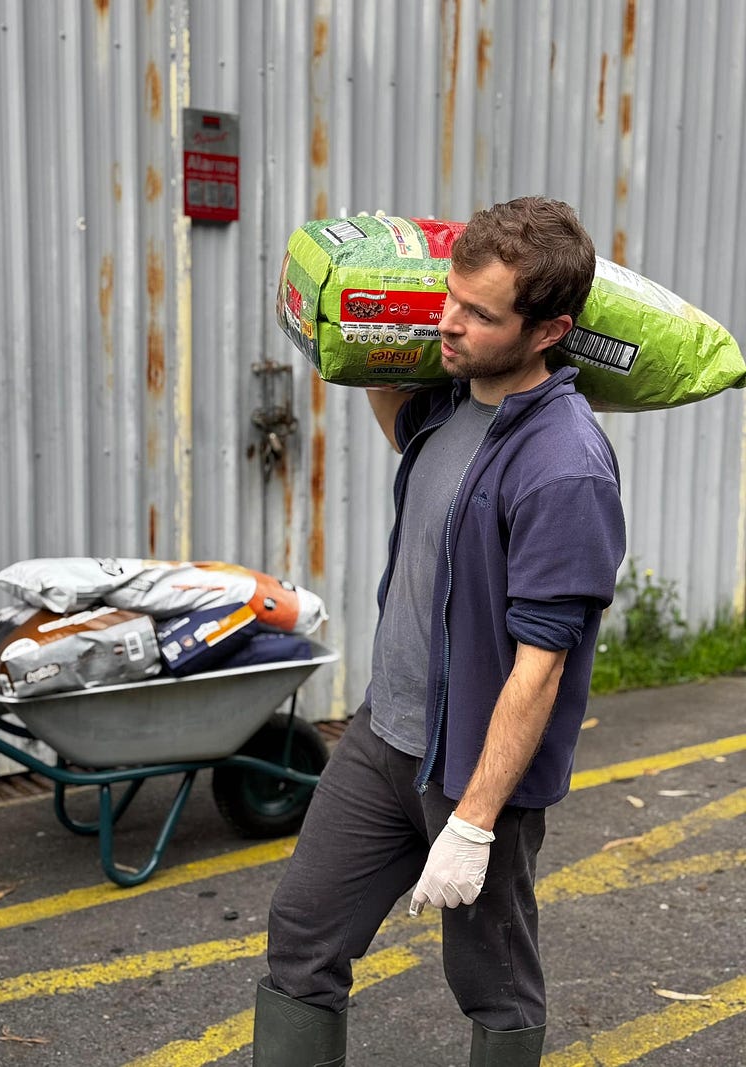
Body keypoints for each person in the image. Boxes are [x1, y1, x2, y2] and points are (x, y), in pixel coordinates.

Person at [252, 197, 627, 1066]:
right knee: (303, 936)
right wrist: (368, 326)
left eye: (480, 314)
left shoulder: (564, 467)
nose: (450, 323)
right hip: (384, 737)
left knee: (493, 983)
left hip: (473, 770)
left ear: (549, 331)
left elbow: (542, 665)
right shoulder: (451, 399)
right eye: (449, 297)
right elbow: (399, 422)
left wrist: (475, 822)